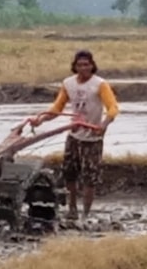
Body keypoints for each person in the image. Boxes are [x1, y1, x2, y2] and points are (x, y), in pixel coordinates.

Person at [30, 49, 120, 221]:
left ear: (92, 66)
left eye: (86, 65)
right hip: (74, 135)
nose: (83, 68)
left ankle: (85, 214)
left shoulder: (100, 84)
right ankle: (72, 209)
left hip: (92, 138)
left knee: (89, 177)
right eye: (79, 65)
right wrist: (40, 120)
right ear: (75, 67)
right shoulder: (68, 84)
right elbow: (57, 109)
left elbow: (113, 108)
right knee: (69, 174)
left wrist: (103, 124)